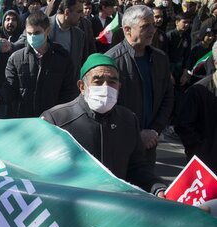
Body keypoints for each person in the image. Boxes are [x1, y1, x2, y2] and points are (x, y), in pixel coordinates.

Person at [41, 54, 167, 196]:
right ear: (82, 86)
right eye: (98, 81)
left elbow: (136, 167)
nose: (105, 87)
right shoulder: (57, 119)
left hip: (115, 207)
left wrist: (157, 187)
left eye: (112, 81)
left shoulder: (128, 119)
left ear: (119, 87)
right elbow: (42, 171)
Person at [105, 5, 174, 171]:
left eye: (153, 25)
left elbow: (168, 96)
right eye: (145, 26)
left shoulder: (160, 59)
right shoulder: (111, 61)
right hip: (119, 144)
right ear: (127, 30)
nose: (152, 30)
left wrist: (155, 130)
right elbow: (106, 106)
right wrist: (137, 134)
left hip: (150, 143)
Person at [0, 11, 77, 118]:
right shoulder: (16, 58)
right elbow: (10, 87)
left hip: (52, 120)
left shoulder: (62, 58)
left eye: (37, 33)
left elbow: (68, 92)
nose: (33, 37)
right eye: (29, 33)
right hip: (23, 119)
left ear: (47, 31)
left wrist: (58, 115)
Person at [175, 42, 217, 172]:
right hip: (205, 166)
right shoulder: (198, 91)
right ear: (215, 63)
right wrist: (201, 150)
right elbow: (183, 126)